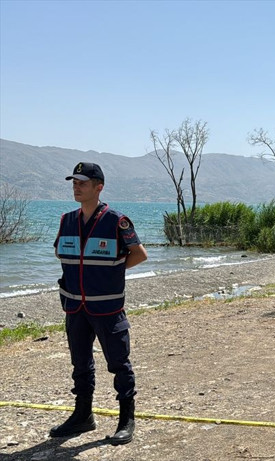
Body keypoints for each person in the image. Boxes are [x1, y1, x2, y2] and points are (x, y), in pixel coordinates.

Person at [50, 162, 148, 445]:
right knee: (80, 364)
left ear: (98, 187)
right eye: (74, 182)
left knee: (119, 363)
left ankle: (126, 420)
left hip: (107, 308)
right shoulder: (66, 220)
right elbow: (62, 254)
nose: (76, 187)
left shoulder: (117, 221)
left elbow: (139, 254)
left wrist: (110, 273)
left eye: (82, 182)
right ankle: (83, 416)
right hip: (75, 307)